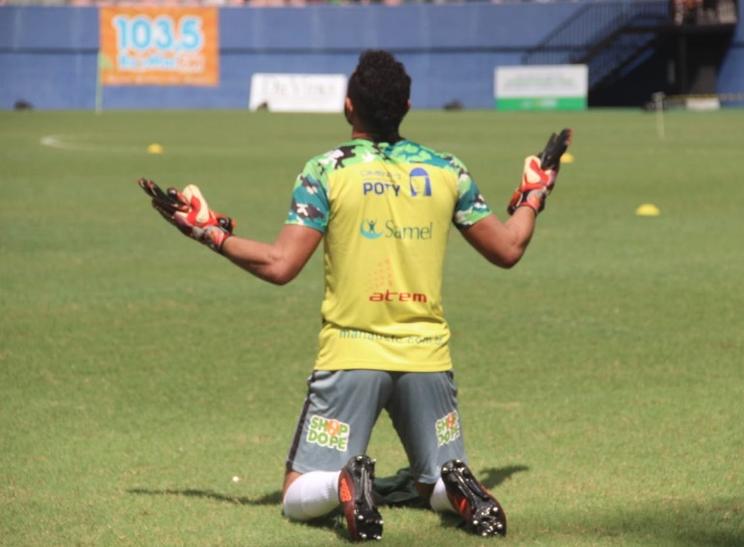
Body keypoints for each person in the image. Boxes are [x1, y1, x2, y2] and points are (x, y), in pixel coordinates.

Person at [138, 49, 565, 541]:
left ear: (348, 107)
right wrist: (533, 194)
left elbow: (279, 265)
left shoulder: (326, 170)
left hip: (351, 358)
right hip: (426, 359)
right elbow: (508, 249)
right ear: (406, 107)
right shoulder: (446, 169)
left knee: (297, 493)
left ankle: (344, 481)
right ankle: (455, 489)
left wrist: (209, 233)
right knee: (431, 482)